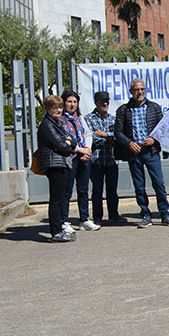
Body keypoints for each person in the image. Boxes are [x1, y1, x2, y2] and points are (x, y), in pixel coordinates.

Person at [114, 78, 169, 228]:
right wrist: (129, 143)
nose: (140, 92)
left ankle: (165, 214)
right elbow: (118, 132)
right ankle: (145, 214)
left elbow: (162, 128)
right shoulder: (123, 110)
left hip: (151, 151)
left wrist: (154, 139)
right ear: (131, 91)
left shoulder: (154, 107)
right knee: (139, 186)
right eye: (137, 89)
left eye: (142, 89)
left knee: (159, 183)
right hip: (134, 152)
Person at [39, 94, 91, 242]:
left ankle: (59, 230)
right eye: (54, 108)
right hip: (54, 164)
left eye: (60, 107)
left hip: (61, 163)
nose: (58, 110)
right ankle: (56, 231)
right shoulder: (47, 125)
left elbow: (71, 140)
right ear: (47, 109)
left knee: (60, 197)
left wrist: (70, 143)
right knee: (56, 200)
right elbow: (62, 145)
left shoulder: (56, 123)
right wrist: (69, 144)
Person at [84, 91, 123, 224]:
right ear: (96, 102)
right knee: (97, 190)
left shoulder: (113, 118)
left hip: (111, 159)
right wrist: (108, 137)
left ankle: (114, 214)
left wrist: (104, 135)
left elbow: (118, 136)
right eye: (101, 101)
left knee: (112, 190)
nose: (105, 103)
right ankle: (97, 217)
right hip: (96, 161)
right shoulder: (88, 119)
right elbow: (92, 138)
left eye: (106, 101)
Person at [60, 90, 97, 231]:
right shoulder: (60, 120)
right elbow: (65, 140)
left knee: (83, 190)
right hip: (70, 158)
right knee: (66, 191)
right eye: (69, 101)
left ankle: (84, 219)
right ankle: (64, 221)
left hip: (83, 158)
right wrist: (79, 150)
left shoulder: (79, 118)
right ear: (64, 103)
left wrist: (87, 149)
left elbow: (87, 134)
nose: (72, 104)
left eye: (75, 102)